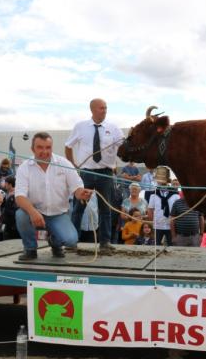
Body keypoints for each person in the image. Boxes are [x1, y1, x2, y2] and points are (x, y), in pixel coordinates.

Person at [15, 132, 94, 260]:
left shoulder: (64, 163)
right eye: (40, 147)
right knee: (21, 215)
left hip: (58, 213)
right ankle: (30, 249)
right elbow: (19, 197)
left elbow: (77, 188)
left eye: (48, 147)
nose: (44, 151)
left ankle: (55, 242)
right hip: (35, 212)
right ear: (32, 149)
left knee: (71, 241)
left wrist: (82, 194)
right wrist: (32, 212)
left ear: (52, 148)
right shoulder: (24, 167)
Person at [65, 98, 124, 251]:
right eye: (101, 108)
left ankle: (105, 243)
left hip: (106, 173)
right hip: (86, 173)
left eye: (106, 108)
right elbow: (68, 146)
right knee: (78, 208)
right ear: (92, 110)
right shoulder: (80, 126)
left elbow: (124, 146)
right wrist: (74, 166)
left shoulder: (114, 128)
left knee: (106, 209)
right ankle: (72, 241)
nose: (104, 110)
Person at [147, 166, 179, 246]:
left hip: (171, 227)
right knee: (156, 247)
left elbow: (178, 211)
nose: (161, 182)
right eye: (159, 180)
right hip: (157, 226)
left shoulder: (175, 194)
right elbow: (150, 210)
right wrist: (152, 224)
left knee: (172, 247)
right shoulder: (153, 194)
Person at [0, 175, 20, 240]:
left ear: (9, 184)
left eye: (5, 183)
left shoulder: (16, 196)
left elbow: (14, 211)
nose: (4, 185)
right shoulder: (6, 194)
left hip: (13, 226)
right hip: (8, 225)